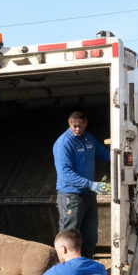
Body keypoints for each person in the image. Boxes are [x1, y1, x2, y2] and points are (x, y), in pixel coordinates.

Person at [54, 109, 111, 254]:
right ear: (69, 123)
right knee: (69, 238)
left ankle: (87, 266)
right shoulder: (64, 143)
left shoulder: (88, 139)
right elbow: (66, 174)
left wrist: (121, 156)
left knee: (90, 237)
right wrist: (91, 184)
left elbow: (103, 153)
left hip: (88, 195)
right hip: (71, 196)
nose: (77, 129)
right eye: (74, 126)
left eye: (80, 125)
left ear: (86, 123)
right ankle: (67, 269)